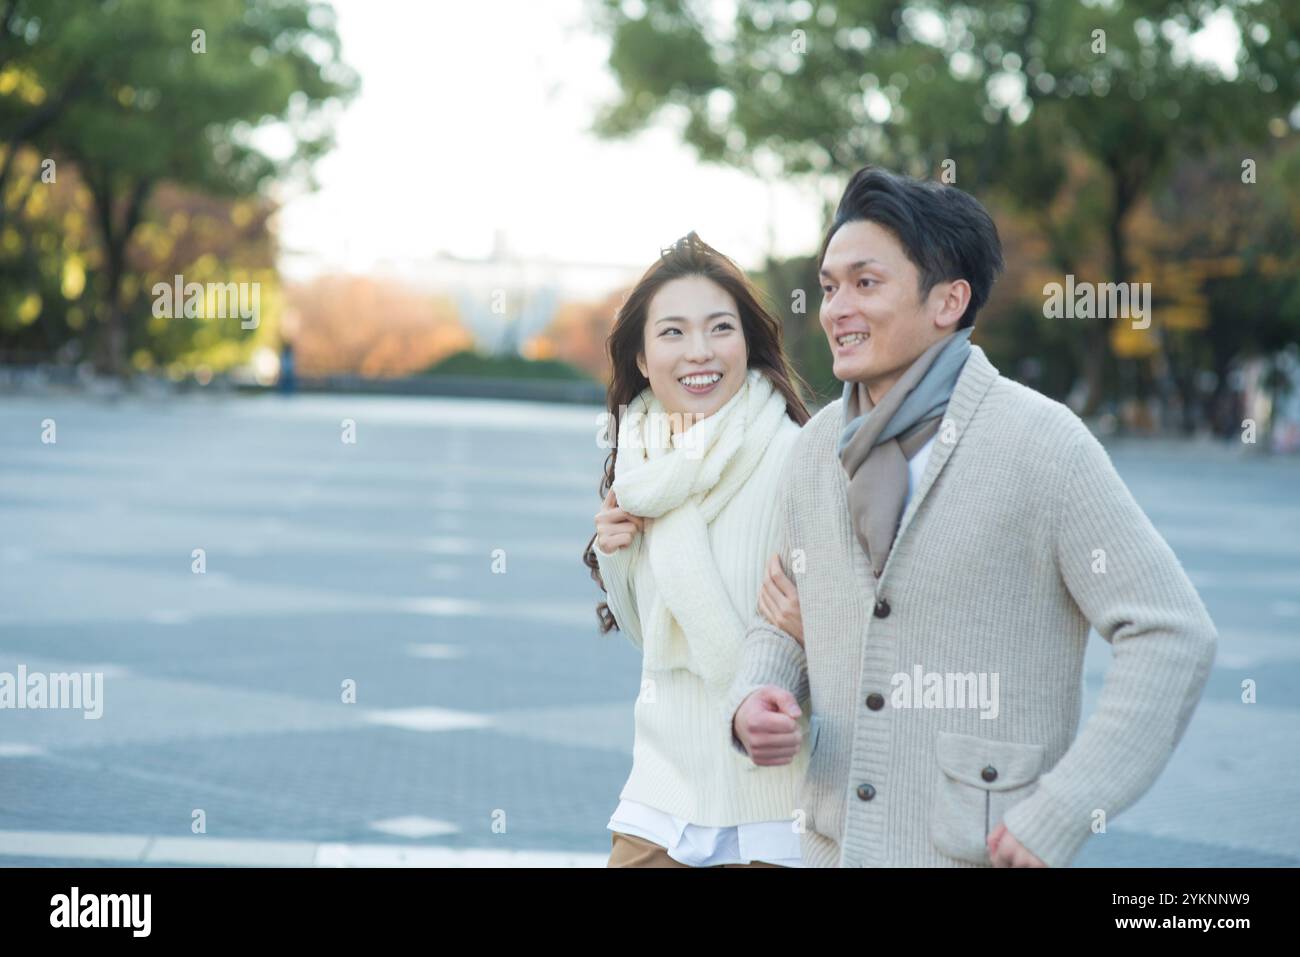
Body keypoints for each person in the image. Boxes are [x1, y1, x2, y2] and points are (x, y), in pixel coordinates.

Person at [727, 167, 1218, 868]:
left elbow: (1173, 632)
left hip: (975, 851)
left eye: (866, 283)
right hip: (831, 848)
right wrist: (756, 696)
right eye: (830, 286)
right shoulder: (814, 450)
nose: (836, 308)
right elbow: (779, 618)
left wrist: (1065, 808)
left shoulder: (1043, 443)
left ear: (949, 301)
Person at [582, 231, 813, 868]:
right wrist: (617, 557)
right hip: (661, 793)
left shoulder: (799, 457)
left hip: (776, 804)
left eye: (720, 328)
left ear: (748, 342)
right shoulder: (641, 465)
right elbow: (651, 639)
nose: (700, 352)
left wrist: (816, 627)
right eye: (673, 333)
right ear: (640, 357)